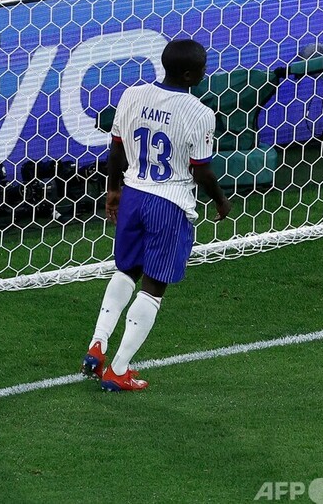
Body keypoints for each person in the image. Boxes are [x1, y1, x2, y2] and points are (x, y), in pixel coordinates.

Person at [81, 38, 231, 391]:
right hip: (169, 202)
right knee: (153, 287)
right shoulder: (199, 113)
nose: (205, 72)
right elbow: (201, 170)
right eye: (203, 68)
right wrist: (220, 200)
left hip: (133, 194)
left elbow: (116, 149)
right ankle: (118, 370)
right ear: (190, 74)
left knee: (126, 271)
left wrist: (113, 190)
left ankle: (97, 344)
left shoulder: (132, 95)